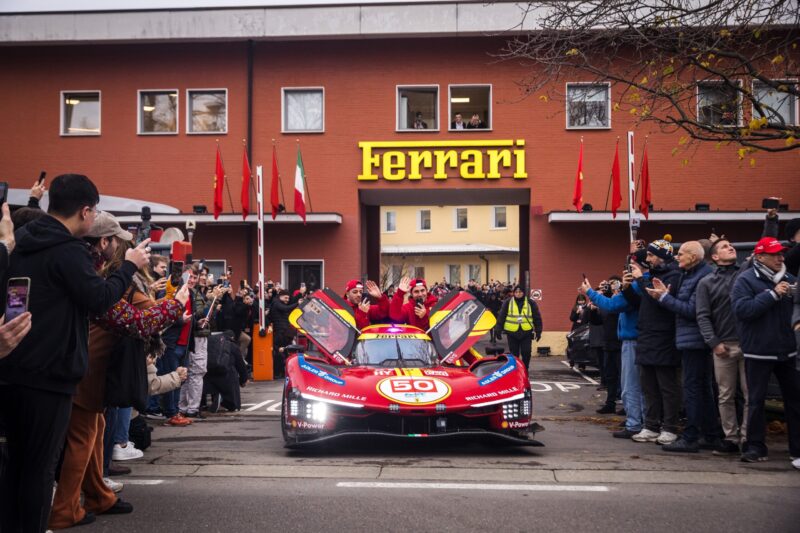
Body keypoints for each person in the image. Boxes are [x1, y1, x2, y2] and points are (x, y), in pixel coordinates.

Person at [0, 173, 150, 533]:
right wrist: (129, 264)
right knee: (39, 469)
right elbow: (99, 299)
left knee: (14, 466)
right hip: (52, 374)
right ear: (85, 212)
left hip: (14, 365)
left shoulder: (20, 243)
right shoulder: (67, 251)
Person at [49, 215, 186, 529]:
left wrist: (168, 300)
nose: (126, 246)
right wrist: (173, 304)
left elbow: (144, 311)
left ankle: (97, 496)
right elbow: (137, 320)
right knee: (83, 439)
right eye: (118, 240)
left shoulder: (98, 273)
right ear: (104, 242)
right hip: (87, 368)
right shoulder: (101, 277)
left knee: (92, 433)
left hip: (89, 366)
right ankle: (64, 509)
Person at [731, 237, 799, 465]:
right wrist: (772, 294)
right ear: (760, 257)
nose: (781, 258)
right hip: (758, 351)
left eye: (782, 254)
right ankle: (755, 447)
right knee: (757, 402)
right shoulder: (745, 280)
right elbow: (743, 310)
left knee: (795, 401)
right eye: (775, 254)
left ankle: (797, 450)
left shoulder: (790, 279)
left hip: (786, 350)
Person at [646, 241, 718, 453]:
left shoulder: (701, 278)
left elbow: (691, 310)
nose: (677, 257)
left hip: (695, 340)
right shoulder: (690, 275)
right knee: (703, 389)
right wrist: (665, 295)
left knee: (694, 389)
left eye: (681, 254)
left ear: (694, 257)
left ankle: (692, 437)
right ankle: (711, 434)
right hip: (691, 339)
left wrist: (665, 298)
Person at [623, 237, 682, 445]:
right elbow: (643, 303)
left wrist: (641, 280)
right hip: (647, 337)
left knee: (667, 386)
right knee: (649, 387)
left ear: (662, 257)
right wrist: (628, 288)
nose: (647, 259)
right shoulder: (652, 275)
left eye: (650, 255)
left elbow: (660, 301)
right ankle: (650, 425)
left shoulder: (674, 276)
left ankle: (670, 427)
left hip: (664, 337)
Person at [695, 238, 749, 455]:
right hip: (723, 346)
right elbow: (703, 315)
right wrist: (714, 342)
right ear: (715, 257)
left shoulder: (743, 274)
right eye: (724, 247)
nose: (731, 247)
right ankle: (731, 437)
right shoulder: (706, 282)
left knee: (750, 394)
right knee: (725, 395)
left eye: (731, 245)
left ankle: (748, 438)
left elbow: (763, 248)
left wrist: (771, 219)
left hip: (747, 344)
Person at [582, 263, 643, 437]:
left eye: (619, 283)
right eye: (613, 284)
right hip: (610, 343)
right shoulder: (618, 297)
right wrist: (594, 306)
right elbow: (597, 319)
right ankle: (625, 412)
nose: (616, 286)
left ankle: (634, 420)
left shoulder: (629, 296)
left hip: (626, 342)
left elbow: (613, 306)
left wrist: (592, 293)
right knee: (613, 377)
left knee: (630, 384)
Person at [495, 285, 543, 371]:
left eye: (520, 292)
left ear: (524, 293)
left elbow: (537, 317)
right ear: (513, 293)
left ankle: (525, 369)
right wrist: (498, 329)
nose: (518, 294)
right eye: (516, 292)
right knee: (514, 355)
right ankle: (515, 371)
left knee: (526, 352)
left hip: (526, 332)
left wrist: (538, 331)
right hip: (512, 332)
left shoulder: (530, 302)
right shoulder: (508, 302)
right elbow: (501, 316)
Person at [270, 289, 299, 379]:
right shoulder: (277, 303)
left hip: (283, 332)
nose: (287, 300)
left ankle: (281, 372)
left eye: (288, 298)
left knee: (283, 352)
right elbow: (286, 308)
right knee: (279, 352)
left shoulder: (279, 303)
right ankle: (278, 372)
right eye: (286, 298)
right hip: (280, 333)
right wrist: (297, 303)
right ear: (280, 296)